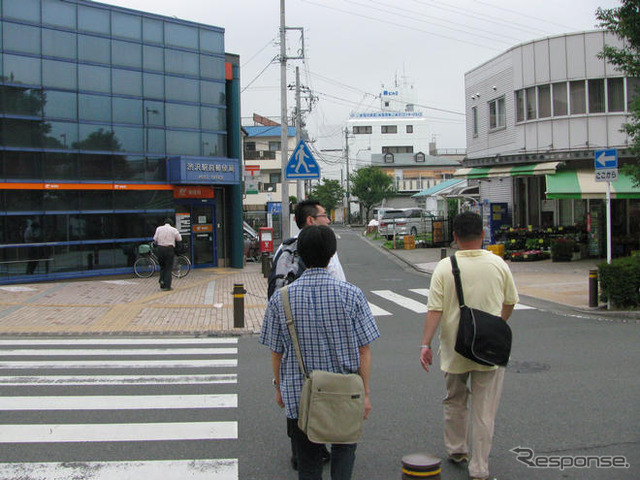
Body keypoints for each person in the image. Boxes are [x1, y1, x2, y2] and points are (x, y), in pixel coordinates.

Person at [260, 225, 380, 480]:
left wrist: (279, 387)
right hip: (346, 393)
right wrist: (366, 394)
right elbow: (364, 350)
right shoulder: (353, 295)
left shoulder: (281, 299)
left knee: (308, 464)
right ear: (332, 253)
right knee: (344, 455)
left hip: (300, 393)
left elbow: (276, 351)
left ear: (299, 254)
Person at [419, 211, 519, 480]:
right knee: (484, 410)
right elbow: (510, 301)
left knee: (455, 400)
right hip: (490, 349)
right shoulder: (498, 264)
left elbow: (434, 310)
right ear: (483, 235)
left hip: (455, 347)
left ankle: (457, 449)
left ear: (454, 237)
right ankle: (480, 468)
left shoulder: (444, 267)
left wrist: (425, 344)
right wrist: (497, 323)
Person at [270, 200, 346, 468]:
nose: (328, 219)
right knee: (326, 391)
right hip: (324, 336)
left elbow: (275, 291)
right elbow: (341, 289)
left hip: (292, 332)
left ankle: (301, 450)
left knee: (296, 391)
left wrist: (277, 383)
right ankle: (326, 447)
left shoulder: (284, 247)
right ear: (311, 220)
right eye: (324, 215)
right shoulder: (327, 250)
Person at [153, 217, 182, 291]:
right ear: (171, 224)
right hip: (169, 249)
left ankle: (162, 282)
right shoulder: (174, 230)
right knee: (168, 268)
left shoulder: (159, 229)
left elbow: (155, 239)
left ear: (164, 223)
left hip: (160, 249)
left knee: (162, 266)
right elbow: (179, 239)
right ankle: (167, 285)